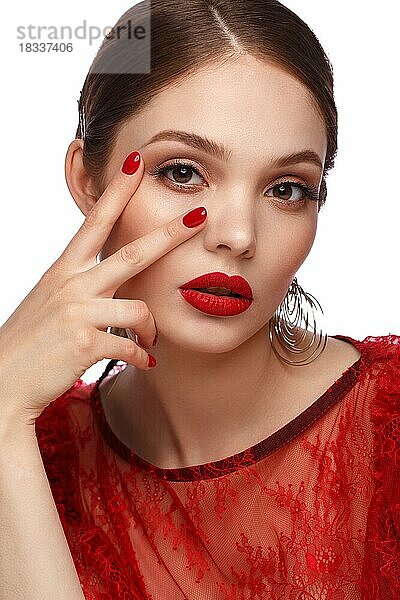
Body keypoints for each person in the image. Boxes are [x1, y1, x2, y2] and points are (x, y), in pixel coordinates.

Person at [0, 0, 398, 598]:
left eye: (287, 188)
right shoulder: (34, 445)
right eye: (183, 172)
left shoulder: (385, 428)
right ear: (88, 180)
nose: (238, 235)